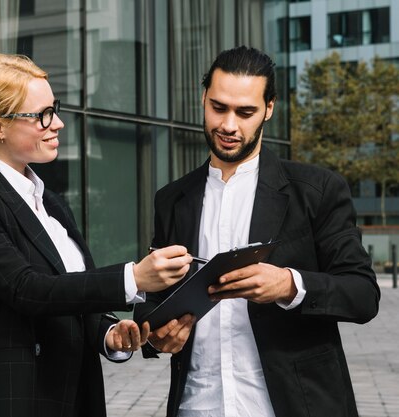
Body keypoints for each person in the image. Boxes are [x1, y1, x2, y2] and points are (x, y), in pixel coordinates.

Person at [0, 53, 193, 417]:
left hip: (75, 397)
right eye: (41, 115)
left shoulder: (52, 204)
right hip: (15, 401)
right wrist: (133, 277)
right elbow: (27, 289)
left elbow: (70, 297)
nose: (57, 123)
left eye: (54, 109)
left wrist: (108, 332)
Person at [134, 45, 381, 417]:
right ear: (203, 98)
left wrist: (289, 285)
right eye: (218, 107)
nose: (229, 125)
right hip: (198, 406)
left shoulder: (316, 190)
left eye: (245, 112)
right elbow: (154, 301)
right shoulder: (172, 199)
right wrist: (154, 335)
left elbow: (363, 294)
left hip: (291, 406)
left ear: (269, 108)